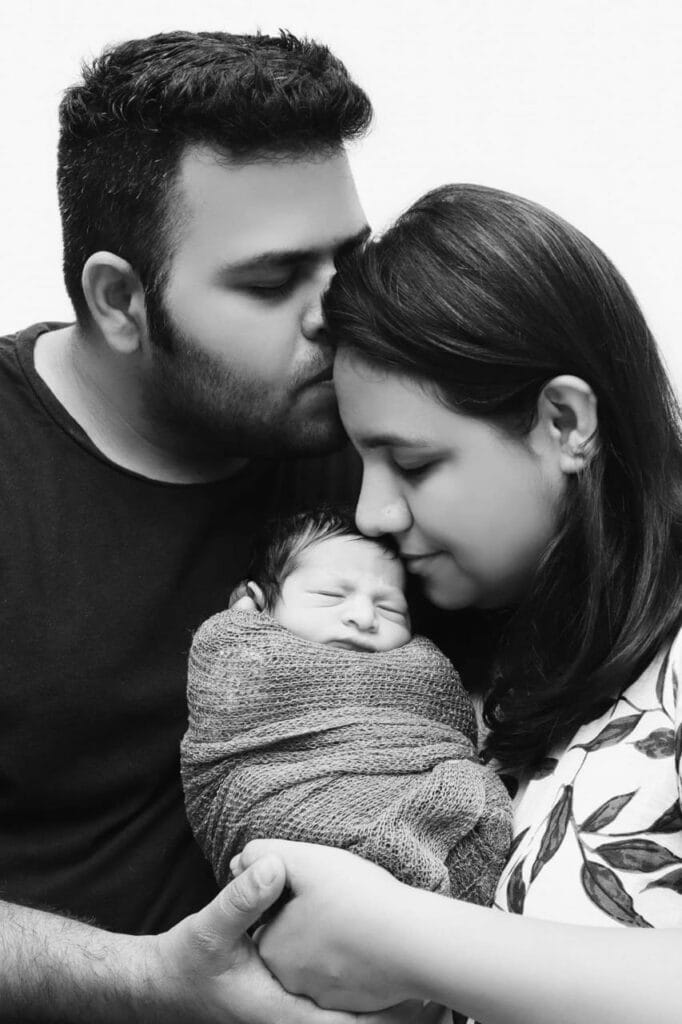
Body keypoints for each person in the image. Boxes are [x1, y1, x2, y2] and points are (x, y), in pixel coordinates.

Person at [0, 27, 432, 1024]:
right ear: (120, 299)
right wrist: (149, 983)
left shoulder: (373, 432)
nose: (339, 314)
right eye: (272, 281)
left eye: (349, 260)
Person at [231, 183, 682, 1024]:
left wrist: (397, 937)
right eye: (364, 462)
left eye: (414, 463)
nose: (373, 513)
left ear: (563, 421)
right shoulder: (489, 659)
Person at [181, 508, 512, 901]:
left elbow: (449, 736)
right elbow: (226, 703)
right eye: (330, 596)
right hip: (279, 804)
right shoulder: (244, 652)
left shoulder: (420, 670)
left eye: (389, 608)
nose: (363, 617)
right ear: (254, 604)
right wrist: (240, 630)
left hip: (414, 804)